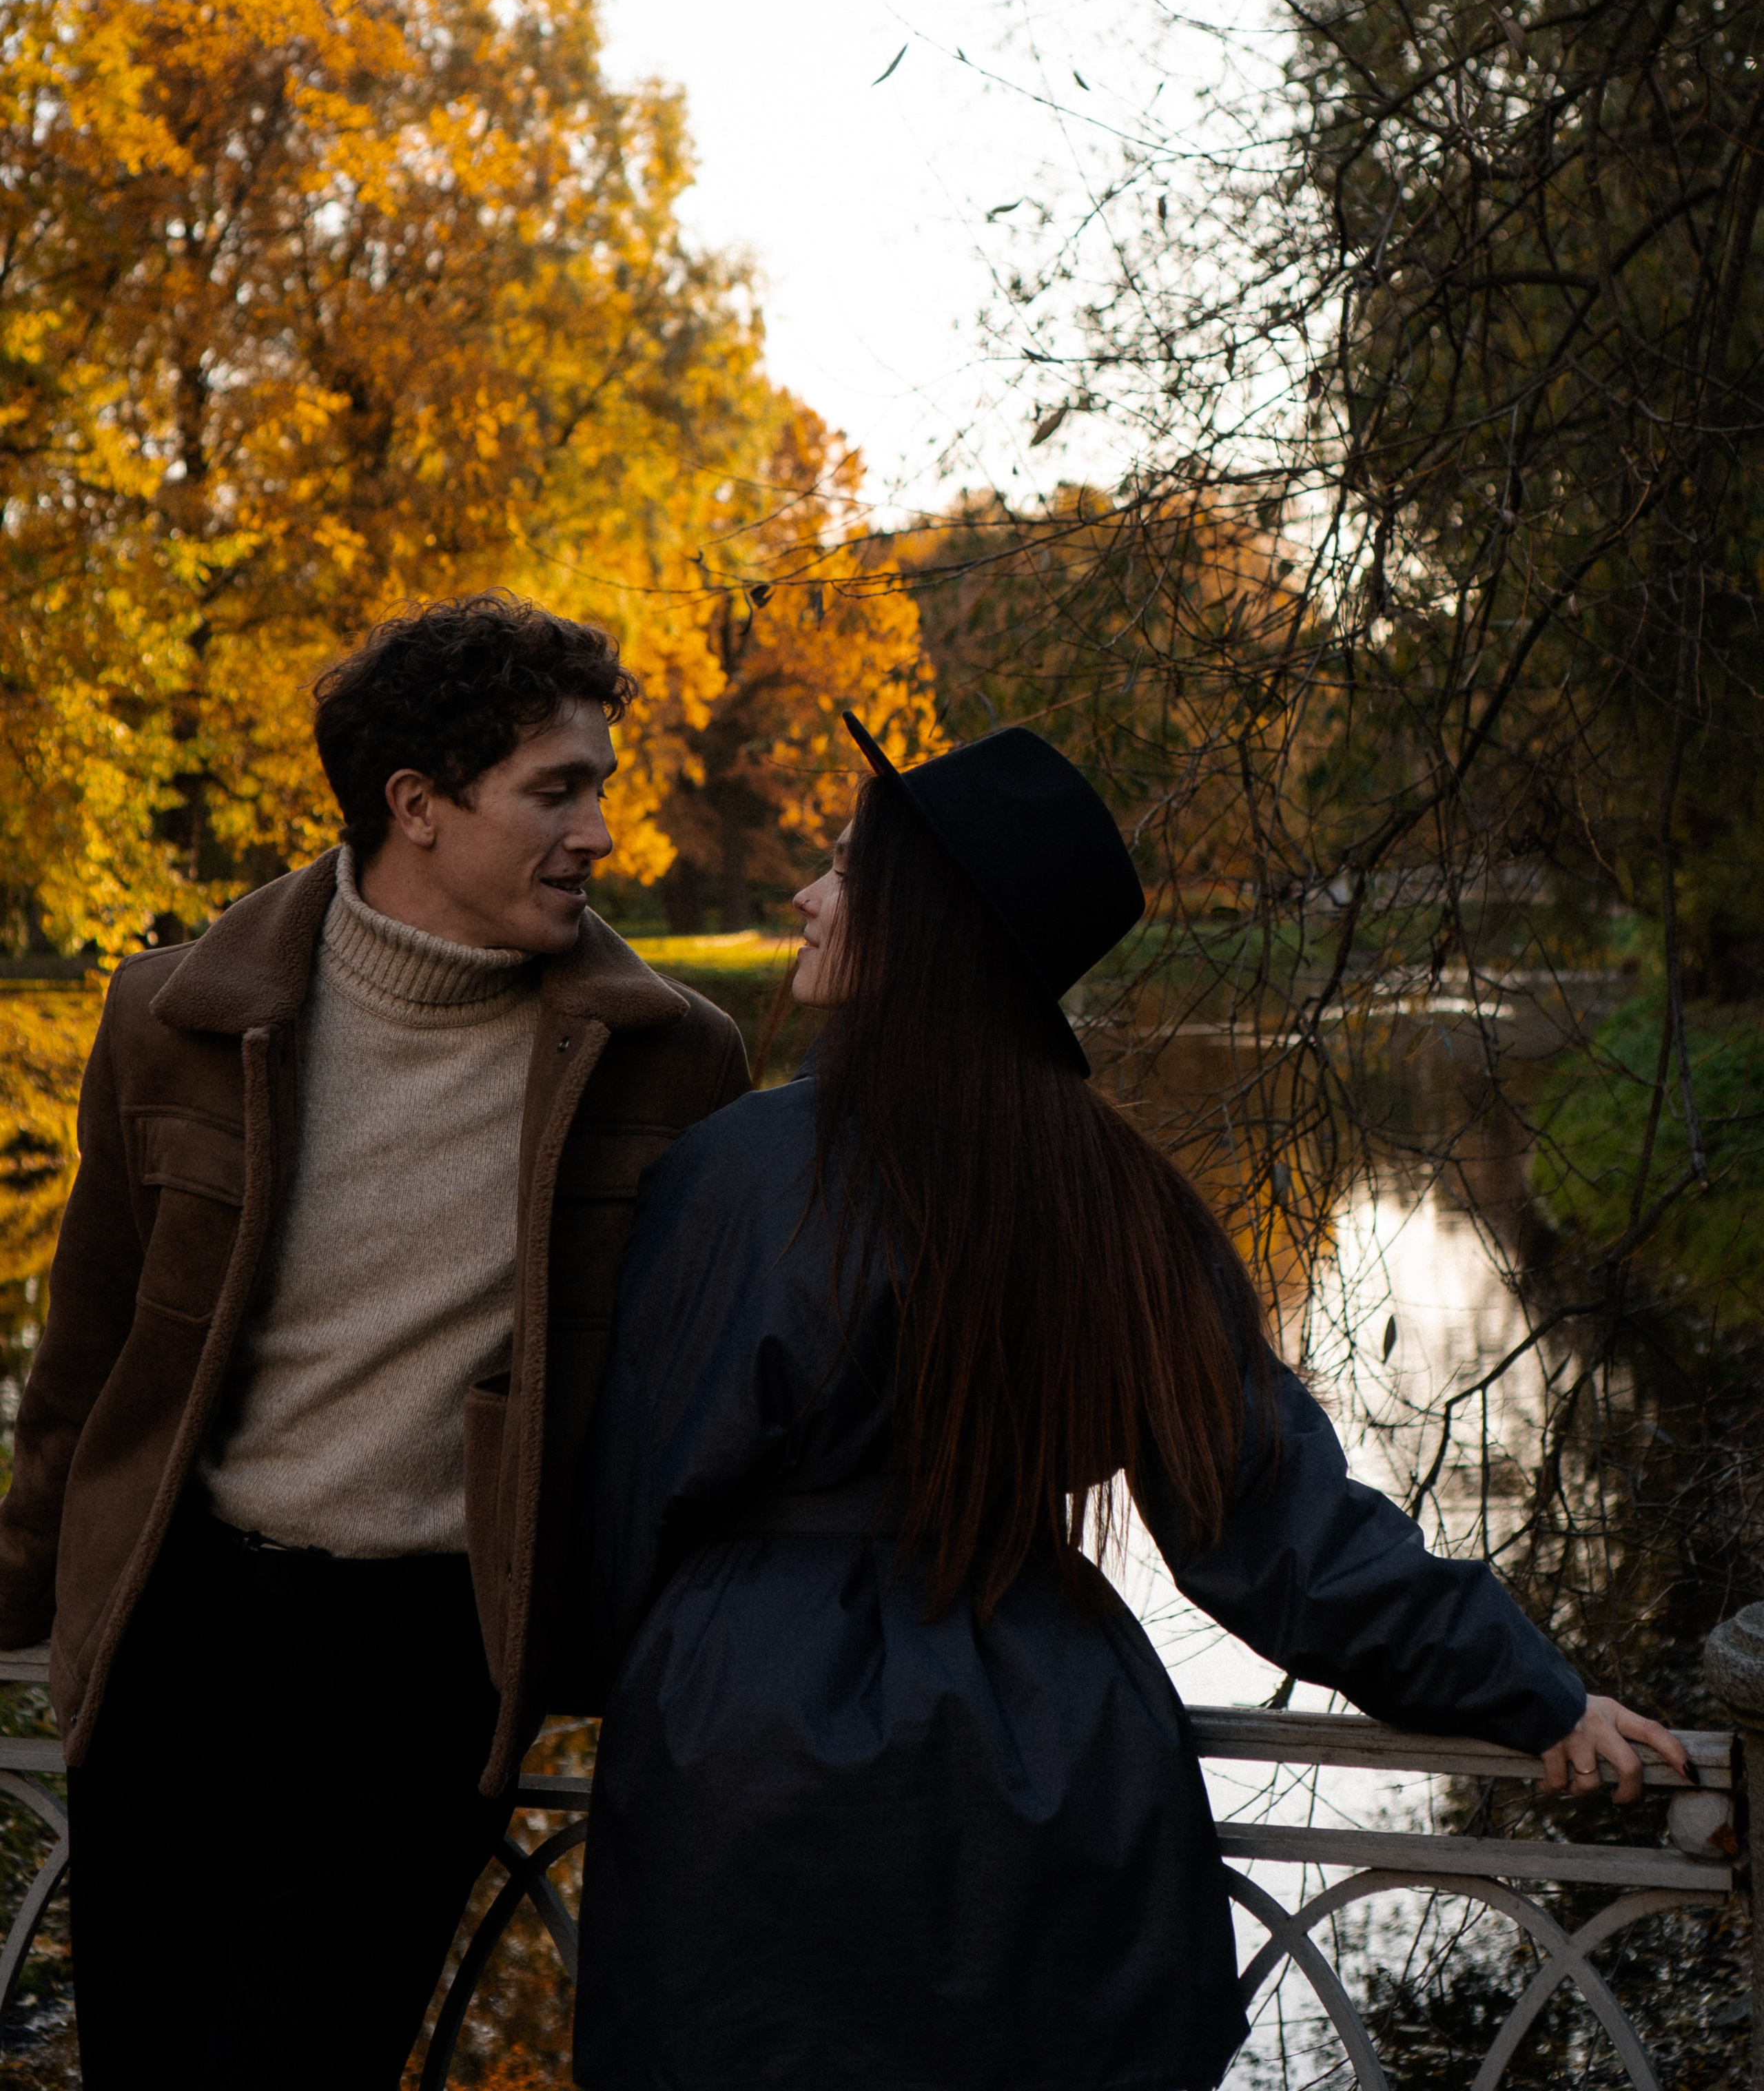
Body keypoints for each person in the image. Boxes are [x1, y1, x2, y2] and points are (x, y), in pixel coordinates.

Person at [573, 712, 1690, 2091]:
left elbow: (634, 1494)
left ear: (926, 923)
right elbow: (1269, 1517)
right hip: (1038, 1748)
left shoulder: (736, 1172)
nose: (805, 894)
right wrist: (1533, 1692)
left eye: (848, 870)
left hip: (748, 1756)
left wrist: (622, 1683)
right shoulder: (1117, 1195)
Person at [0, 593, 749, 2091]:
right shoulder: (176, 1017)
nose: (600, 834)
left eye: (596, 787)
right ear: (417, 805)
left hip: (427, 1672)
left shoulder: (669, 1062)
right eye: (556, 791)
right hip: (169, 1641)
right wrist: (28, 1605)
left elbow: (697, 1408)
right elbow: (84, 1363)